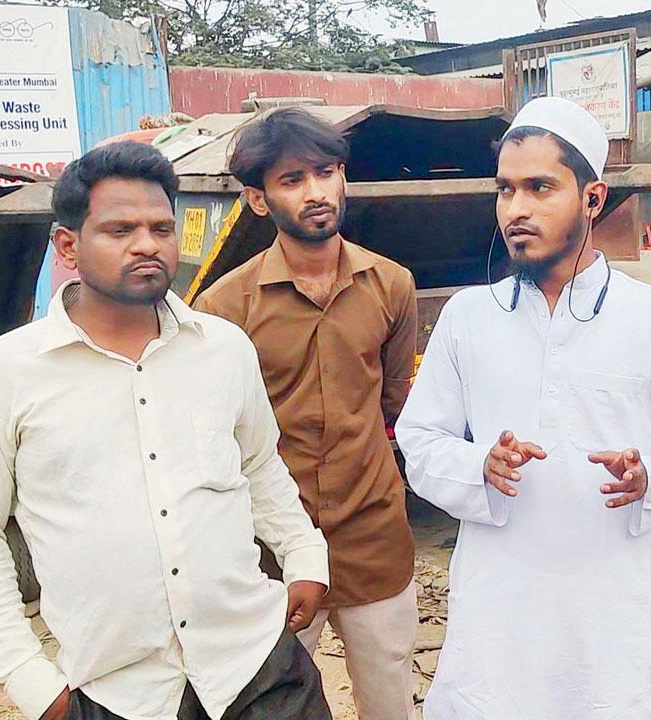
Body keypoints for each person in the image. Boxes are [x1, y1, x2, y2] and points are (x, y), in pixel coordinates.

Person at [394, 96, 651, 719]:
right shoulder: (468, 318)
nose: (517, 209)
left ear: (592, 198)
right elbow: (420, 438)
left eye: (540, 187)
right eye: (506, 190)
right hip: (499, 617)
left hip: (615, 614)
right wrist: (481, 464)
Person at [0, 142, 332, 720]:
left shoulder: (222, 349)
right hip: (119, 691)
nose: (148, 244)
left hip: (257, 666)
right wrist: (27, 675)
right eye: (120, 229)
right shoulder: (3, 375)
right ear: (68, 246)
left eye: (161, 227)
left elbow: (258, 467)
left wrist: (303, 555)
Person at [194, 107, 419, 720]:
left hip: (375, 539)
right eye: (292, 179)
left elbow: (396, 404)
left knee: (389, 697)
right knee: (275, 706)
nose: (315, 192)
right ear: (259, 200)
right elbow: (218, 435)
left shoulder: (392, 285)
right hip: (274, 554)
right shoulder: (224, 306)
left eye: (326, 172)